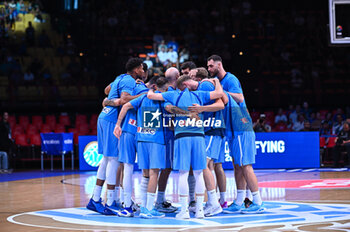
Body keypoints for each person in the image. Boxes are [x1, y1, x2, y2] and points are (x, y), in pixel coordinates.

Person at [147, 77, 224, 219]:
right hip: (199, 135)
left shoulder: (173, 95)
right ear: (186, 84)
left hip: (182, 136)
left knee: (183, 173)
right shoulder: (199, 94)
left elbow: (150, 95)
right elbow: (219, 94)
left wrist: (150, 86)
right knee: (199, 173)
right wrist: (216, 81)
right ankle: (200, 210)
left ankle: (184, 211)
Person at [86, 58, 145, 215]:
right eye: (142, 68)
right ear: (137, 69)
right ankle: (110, 201)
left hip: (103, 117)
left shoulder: (120, 77)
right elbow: (125, 99)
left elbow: (106, 90)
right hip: (112, 120)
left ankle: (96, 198)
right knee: (113, 159)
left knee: (106, 159)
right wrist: (144, 96)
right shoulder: (131, 81)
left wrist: (110, 101)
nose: (143, 71)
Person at [207, 54, 264, 213]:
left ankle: (258, 201)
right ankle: (239, 201)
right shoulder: (219, 82)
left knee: (246, 166)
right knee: (237, 166)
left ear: (219, 64)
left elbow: (239, 97)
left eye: (211, 66)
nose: (209, 69)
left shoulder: (230, 79)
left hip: (241, 127)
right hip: (232, 130)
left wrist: (220, 91)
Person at [114, 77, 170, 219]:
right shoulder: (162, 98)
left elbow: (125, 106)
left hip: (141, 138)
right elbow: (170, 110)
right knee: (153, 173)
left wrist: (118, 124)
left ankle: (144, 206)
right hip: (156, 140)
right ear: (159, 88)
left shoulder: (143, 97)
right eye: (165, 89)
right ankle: (148, 209)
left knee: (146, 173)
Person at [176, 74, 225, 216]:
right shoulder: (199, 90)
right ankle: (210, 202)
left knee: (204, 165)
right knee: (207, 166)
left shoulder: (205, 85)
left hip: (212, 129)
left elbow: (222, 102)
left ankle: (214, 203)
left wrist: (201, 109)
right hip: (207, 129)